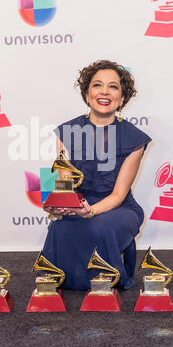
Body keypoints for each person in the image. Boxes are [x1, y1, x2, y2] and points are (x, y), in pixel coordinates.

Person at [42, 60, 151, 290]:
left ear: (122, 99)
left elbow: (119, 194)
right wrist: (58, 205)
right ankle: (64, 280)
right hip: (80, 202)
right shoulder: (65, 132)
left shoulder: (135, 139)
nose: (104, 91)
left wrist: (89, 211)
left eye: (113, 87)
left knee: (100, 226)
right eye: (97, 85)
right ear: (87, 94)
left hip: (118, 207)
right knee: (59, 226)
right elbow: (64, 186)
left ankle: (103, 283)